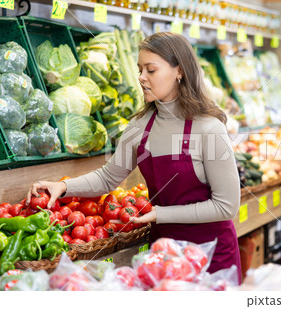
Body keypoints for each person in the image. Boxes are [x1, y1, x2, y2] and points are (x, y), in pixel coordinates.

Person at [27, 32, 242, 282]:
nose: (141, 78)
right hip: (162, 255)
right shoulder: (140, 126)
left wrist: (160, 214)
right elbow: (108, 178)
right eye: (140, 70)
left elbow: (227, 206)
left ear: (180, 71)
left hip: (213, 256)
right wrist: (63, 186)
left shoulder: (208, 127)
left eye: (151, 70)